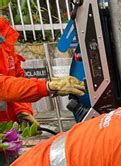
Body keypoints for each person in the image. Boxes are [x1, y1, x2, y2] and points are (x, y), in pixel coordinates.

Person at [0, 0, 84, 130]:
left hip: (7, 132)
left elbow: (17, 77)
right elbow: (3, 86)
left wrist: (22, 110)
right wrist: (46, 86)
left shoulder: (3, 33)